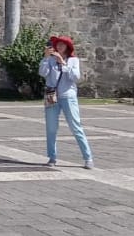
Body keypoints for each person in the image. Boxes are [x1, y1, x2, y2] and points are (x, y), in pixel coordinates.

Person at [40, 35, 94, 169]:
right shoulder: (50, 60)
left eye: (62, 45)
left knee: (76, 127)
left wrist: (63, 64)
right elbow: (43, 73)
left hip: (68, 96)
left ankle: (88, 158)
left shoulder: (73, 60)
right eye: (58, 44)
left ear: (67, 47)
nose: (59, 47)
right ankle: (52, 157)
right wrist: (46, 58)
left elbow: (75, 77)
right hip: (51, 95)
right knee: (51, 128)